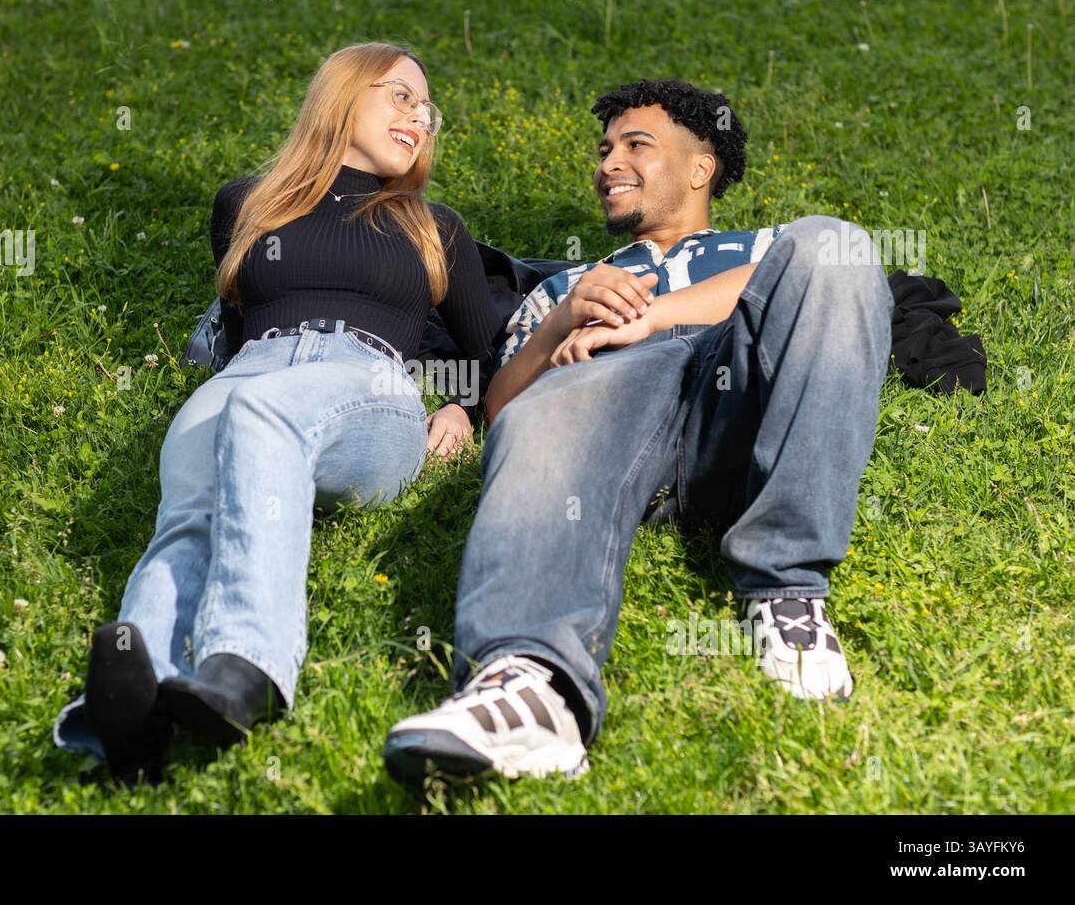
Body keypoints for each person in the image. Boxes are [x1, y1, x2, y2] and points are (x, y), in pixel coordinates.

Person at [382, 80, 893, 787]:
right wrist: (564, 330)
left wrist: (655, 314)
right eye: (603, 150)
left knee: (837, 242)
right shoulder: (568, 289)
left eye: (635, 145)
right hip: (612, 426)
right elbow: (504, 410)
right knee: (549, 404)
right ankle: (531, 682)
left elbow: (835, 293)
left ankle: (787, 594)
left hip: (734, 407)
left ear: (698, 168)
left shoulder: (771, 250)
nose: (608, 163)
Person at [52, 42, 502, 784]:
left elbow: (492, 351)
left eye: (427, 109)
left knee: (256, 409)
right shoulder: (248, 201)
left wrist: (459, 405)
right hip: (252, 374)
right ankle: (132, 707)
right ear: (341, 95)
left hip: (371, 392)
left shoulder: (433, 225)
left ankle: (249, 661)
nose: (418, 117)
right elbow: (235, 329)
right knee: (195, 498)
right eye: (400, 96)